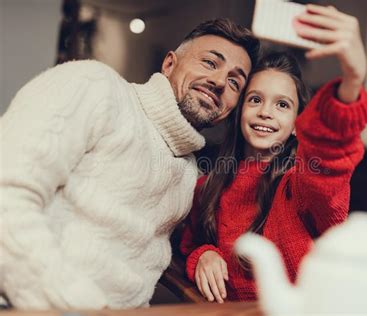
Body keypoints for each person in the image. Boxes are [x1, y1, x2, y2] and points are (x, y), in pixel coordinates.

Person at [0, 19, 259, 310]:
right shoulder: (94, 86)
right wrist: (83, 307)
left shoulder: (190, 174)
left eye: (235, 82)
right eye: (210, 63)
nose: (221, 82)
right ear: (169, 64)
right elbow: (6, 198)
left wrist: (205, 253)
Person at [180, 5, 367, 302]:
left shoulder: (301, 184)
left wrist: (352, 83)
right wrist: (203, 255)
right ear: (240, 109)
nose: (266, 112)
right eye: (255, 99)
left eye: (282, 105)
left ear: (298, 125)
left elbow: (329, 165)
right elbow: (191, 245)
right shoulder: (207, 186)